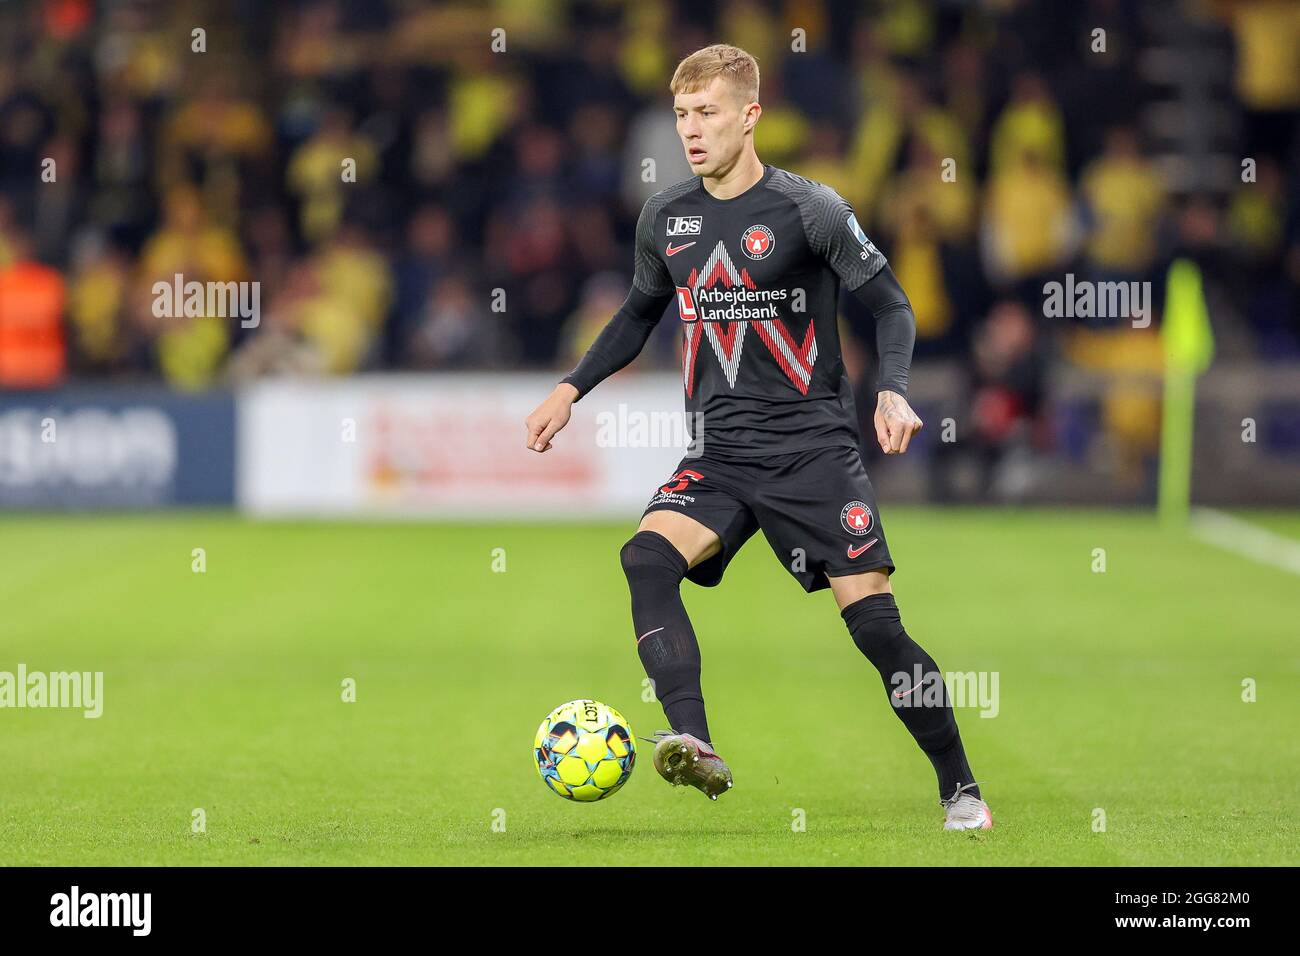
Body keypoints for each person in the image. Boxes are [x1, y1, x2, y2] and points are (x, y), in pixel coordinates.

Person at [524, 44, 991, 829]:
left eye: (706, 112)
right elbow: (640, 313)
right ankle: (694, 743)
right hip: (718, 454)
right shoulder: (665, 218)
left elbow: (894, 307)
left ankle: (961, 788)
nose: (691, 130)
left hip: (812, 450)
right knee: (645, 556)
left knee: (876, 628)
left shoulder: (810, 209)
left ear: (750, 115)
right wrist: (572, 388)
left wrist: (896, 392)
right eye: (681, 115)